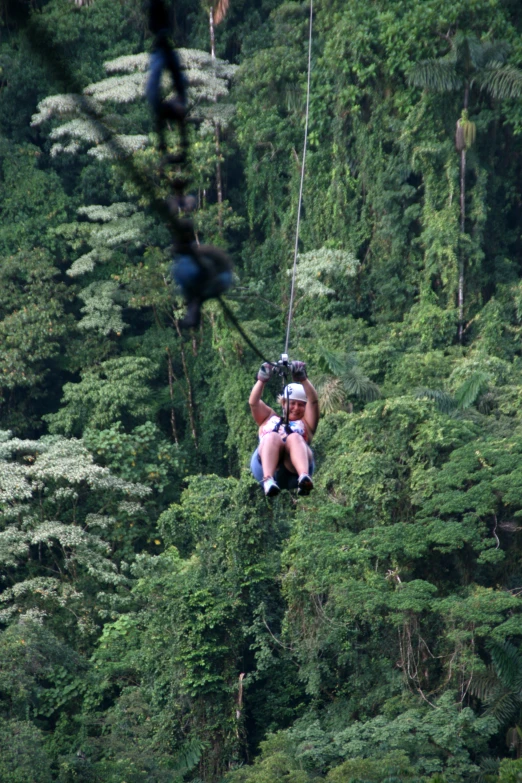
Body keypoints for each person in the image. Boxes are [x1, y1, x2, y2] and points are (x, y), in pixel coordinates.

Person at [249, 360, 319, 497]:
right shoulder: (268, 418)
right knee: (272, 436)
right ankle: (268, 480)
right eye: (292, 403)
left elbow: (314, 401)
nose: (296, 408)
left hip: (292, 468)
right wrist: (262, 380)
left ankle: (303, 478)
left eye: (301, 405)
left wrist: (303, 379)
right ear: (284, 403)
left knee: (294, 437)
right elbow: (254, 402)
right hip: (266, 465)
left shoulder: (306, 423)